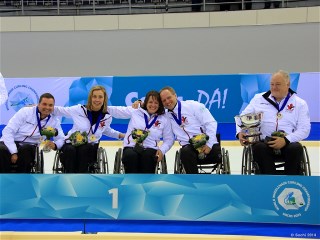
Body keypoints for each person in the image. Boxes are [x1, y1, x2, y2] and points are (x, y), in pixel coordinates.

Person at [236, 70, 310, 175]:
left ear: (288, 84)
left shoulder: (300, 103)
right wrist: (240, 132)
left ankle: (290, 181)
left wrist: (286, 140)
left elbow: (304, 129)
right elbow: (242, 117)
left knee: (296, 148)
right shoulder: (258, 99)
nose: (274, 87)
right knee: (258, 148)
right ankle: (270, 181)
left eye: (278, 84)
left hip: (288, 143)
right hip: (264, 143)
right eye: (272, 84)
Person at [53, 85, 124, 173]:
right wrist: (38, 107)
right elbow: (60, 110)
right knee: (70, 150)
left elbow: (105, 130)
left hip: (90, 145)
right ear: (90, 98)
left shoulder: (107, 116)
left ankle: (82, 177)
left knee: (85, 149)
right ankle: (69, 175)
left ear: (104, 99)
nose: (97, 100)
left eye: (100, 97)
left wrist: (121, 135)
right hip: (72, 142)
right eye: (94, 96)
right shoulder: (79, 109)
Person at [108, 90, 174, 173]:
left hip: (150, 148)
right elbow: (118, 111)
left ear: (160, 104)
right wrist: (102, 108)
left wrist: (162, 150)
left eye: (156, 103)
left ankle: (146, 184)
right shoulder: (135, 111)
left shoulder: (164, 118)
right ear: (145, 103)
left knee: (148, 158)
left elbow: (169, 139)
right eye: (150, 102)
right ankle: (130, 183)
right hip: (131, 146)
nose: (153, 105)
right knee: (130, 156)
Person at [159, 86, 221, 174]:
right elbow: (149, 109)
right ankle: (194, 182)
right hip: (189, 149)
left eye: (169, 98)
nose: (167, 102)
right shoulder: (165, 116)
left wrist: (209, 144)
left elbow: (210, 123)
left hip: (207, 144)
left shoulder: (193, 105)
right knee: (185, 152)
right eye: (164, 100)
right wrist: (139, 103)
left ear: (175, 96)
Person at [0, 93, 65, 173]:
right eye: (44, 104)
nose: (47, 108)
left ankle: (22, 181)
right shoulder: (25, 112)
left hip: (31, 145)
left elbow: (61, 138)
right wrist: (13, 152)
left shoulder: (54, 120)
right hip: (12, 141)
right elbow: (8, 131)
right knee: (1, 150)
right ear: (38, 104)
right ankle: (4, 180)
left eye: (50, 105)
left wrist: (55, 145)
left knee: (26, 149)